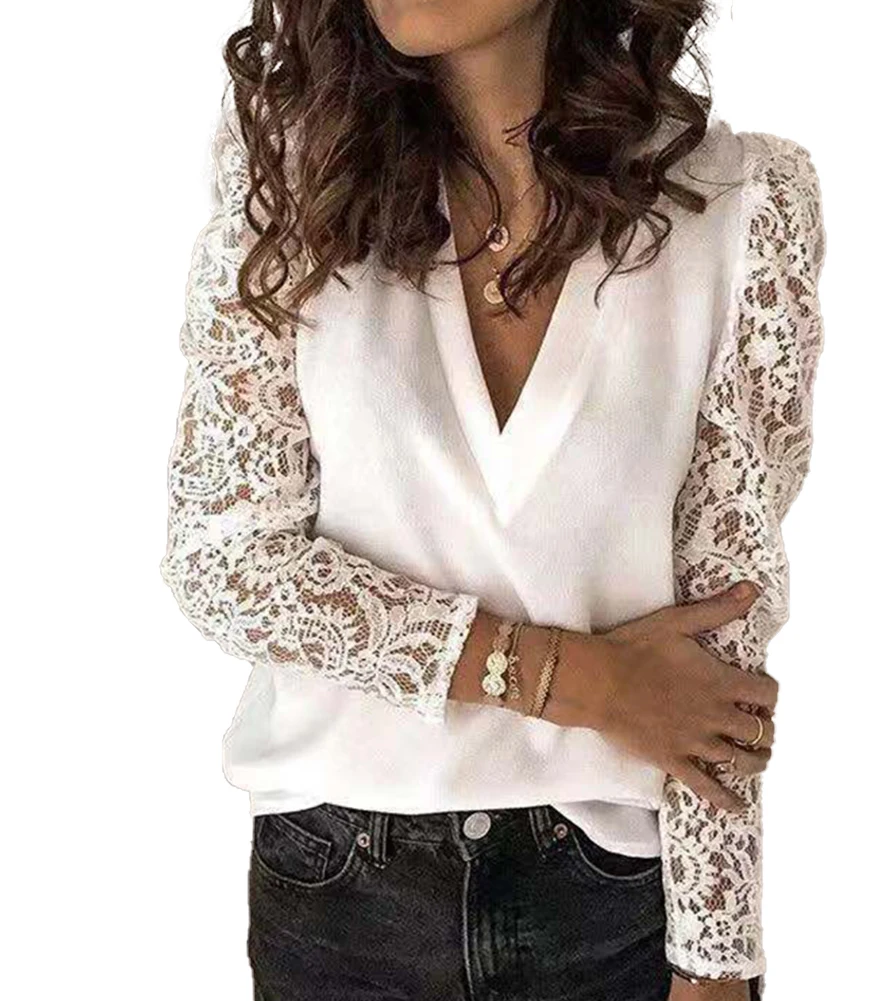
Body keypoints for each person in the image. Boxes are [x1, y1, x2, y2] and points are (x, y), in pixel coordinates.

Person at [160, 1, 826, 998]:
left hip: (615, 899)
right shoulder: (301, 178)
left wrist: (715, 963)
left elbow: (716, 641)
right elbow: (225, 561)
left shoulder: (740, 207)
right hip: (341, 895)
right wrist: (577, 682)